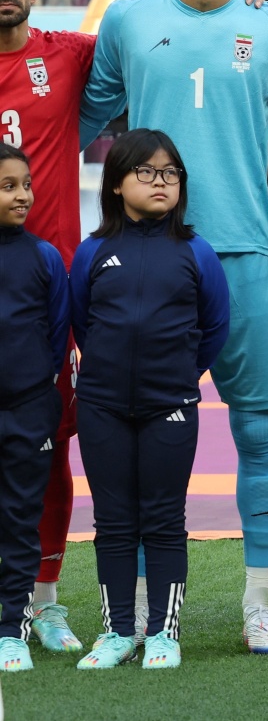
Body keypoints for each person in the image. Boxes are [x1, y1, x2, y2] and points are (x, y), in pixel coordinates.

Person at [78, 0, 268, 655]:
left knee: (259, 431)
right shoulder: (128, 19)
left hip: (244, 255)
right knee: (126, 438)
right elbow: (76, 119)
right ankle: (134, 617)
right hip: (140, 263)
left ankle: (260, 606)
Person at [69, 130, 231, 670]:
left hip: (171, 406)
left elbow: (214, 327)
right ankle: (117, 631)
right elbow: (82, 323)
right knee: (113, 522)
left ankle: (163, 633)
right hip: (101, 405)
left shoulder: (195, 251)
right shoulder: (93, 251)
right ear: (116, 183)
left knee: (163, 521)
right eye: (147, 172)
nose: (161, 182)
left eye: (170, 173)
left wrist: (177, 377)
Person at [0, 0, 101, 654]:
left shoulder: (65, 54)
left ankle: (44, 598)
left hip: (47, 295)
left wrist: (254, 1)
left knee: (49, 445)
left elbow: (164, 33)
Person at [0, 144, 70, 672]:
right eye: (8, 186)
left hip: (28, 409)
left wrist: (33, 392)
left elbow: (55, 335)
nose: (23, 195)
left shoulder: (44, 256)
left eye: (25, 184)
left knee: (21, 520)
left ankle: (11, 631)